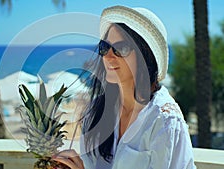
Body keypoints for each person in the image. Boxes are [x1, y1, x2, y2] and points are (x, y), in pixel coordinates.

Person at [52, 5, 196, 169]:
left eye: (121, 48)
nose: (108, 56)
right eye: (104, 47)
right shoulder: (95, 112)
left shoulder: (164, 121)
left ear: (146, 54)